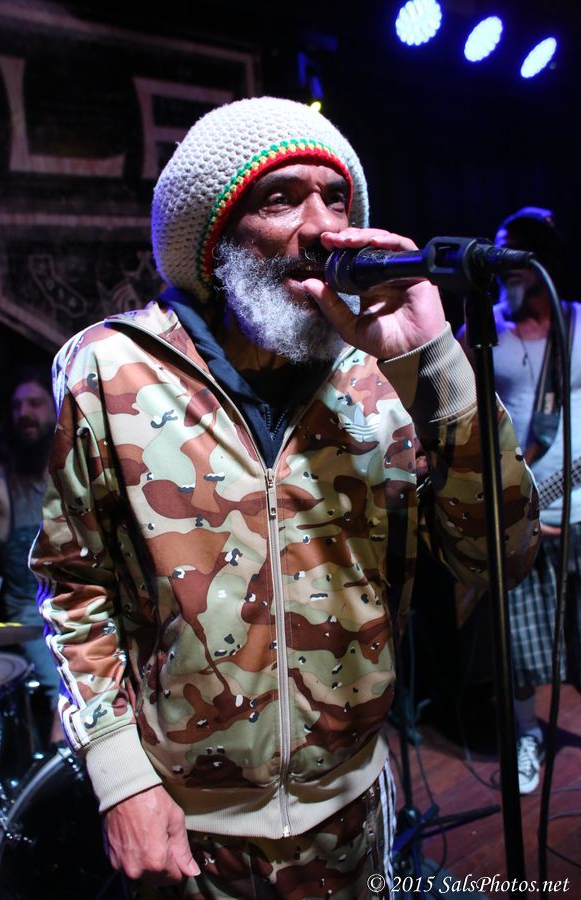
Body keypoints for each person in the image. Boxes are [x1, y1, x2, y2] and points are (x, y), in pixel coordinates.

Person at [30, 97, 539, 898]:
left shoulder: (385, 376)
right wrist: (120, 775)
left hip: (351, 815)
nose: (323, 227)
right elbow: (74, 586)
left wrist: (436, 365)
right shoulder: (109, 371)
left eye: (336, 199)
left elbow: (502, 555)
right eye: (281, 199)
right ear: (214, 238)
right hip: (188, 830)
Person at [464, 207, 580, 795]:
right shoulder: (485, 332)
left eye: (516, 253)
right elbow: (459, 417)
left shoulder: (578, 322)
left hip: (579, 503)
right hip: (522, 508)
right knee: (523, 641)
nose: (505, 266)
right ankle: (528, 733)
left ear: (544, 259)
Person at [0, 366, 62, 745]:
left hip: (87, 606)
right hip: (34, 617)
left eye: (34, 404)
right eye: (16, 407)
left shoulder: (69, 472)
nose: (24, 413)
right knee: (69, 699)